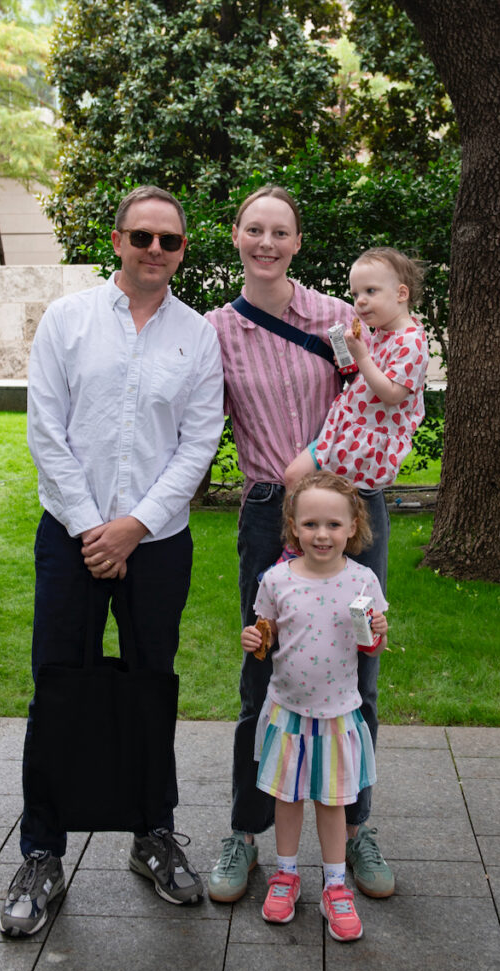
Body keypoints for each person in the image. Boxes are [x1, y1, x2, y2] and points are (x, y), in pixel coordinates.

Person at [0, 185, 224, 937]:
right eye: (141, 237)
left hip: (157, 544)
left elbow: (198, 443)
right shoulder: (67, 320)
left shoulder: (198, 335)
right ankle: (41, 851)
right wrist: (97, 528)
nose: (154, 251)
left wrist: (134, 526)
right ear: (117, 239)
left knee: (151, 688)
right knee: (56, 689)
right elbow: (45, 430)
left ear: (183, 249)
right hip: (70, 536)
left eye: (170, 240)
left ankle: (152, 836)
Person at [205, 186, 395, 905]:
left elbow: (380, 394)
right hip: (266, 513)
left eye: (279, 230)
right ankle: (246, 833)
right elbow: (196, 420)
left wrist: (317, 453)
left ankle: (355, 824)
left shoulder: (339, 317)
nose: (266, 241)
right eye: (254, 228)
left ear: (296, 241)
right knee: (262, 667)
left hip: (349, 512)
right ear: (235, 235)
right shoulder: (218, 329)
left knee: (358, 666)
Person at [241, 471, 388, 940]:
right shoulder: (277, 580)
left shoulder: (362, 582)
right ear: (292, 526)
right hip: (288, 712)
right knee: (287, 798)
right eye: (310, 525)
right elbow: (266, 634)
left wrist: (378, 633)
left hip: (337, 714)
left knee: (332, 801)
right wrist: (253, 638)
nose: (321, 535)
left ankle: (335, 884)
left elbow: (370, 649)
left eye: (332, 525)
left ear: (352, 527)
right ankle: (285, 875)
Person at [284, 247, 428, 492]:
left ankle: (303, 529)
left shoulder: (411, 341)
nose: (360, 301)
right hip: (348, 429)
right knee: (297, 479)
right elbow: (373, 379)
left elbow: (392, 394)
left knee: (323, 493)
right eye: (355, 293)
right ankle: (302, 529)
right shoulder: (384, 332)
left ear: (401, 293)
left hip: (363, 445)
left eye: (370, 291)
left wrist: (362, 356)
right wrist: (354, 367)